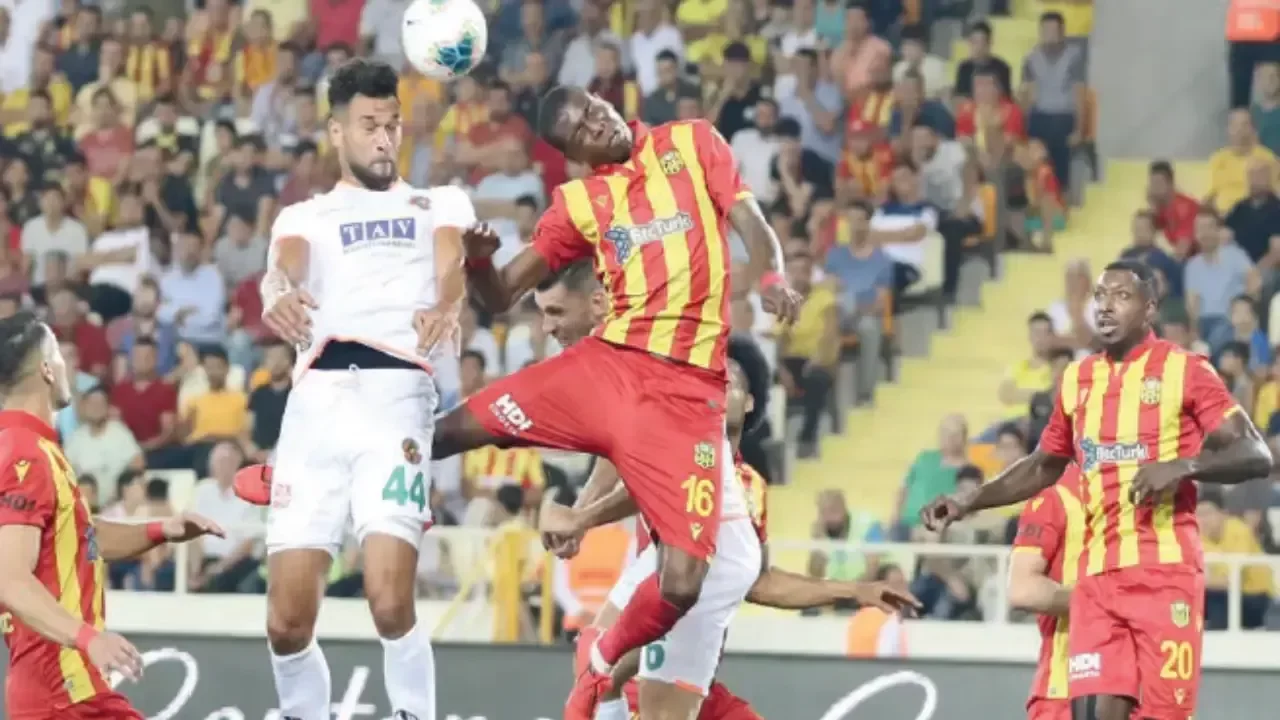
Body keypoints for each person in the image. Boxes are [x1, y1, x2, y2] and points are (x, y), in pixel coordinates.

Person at [445, 86, 798, 717]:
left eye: (593, 107)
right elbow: (500, 296)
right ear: (573, 154)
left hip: (686, 389)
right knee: (455, 430)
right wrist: (477, 264)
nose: (597, 122)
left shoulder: (691, 141)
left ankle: (603, 663)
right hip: (613, 367)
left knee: (690, 579)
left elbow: (751, 222)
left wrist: (770, 275)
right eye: (580, 128)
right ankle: (315, 471)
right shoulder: (581, 203)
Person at [533, 262, 917, 720]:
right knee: (605, 674)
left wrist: (854, 589)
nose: (722, 382)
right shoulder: (670, 436)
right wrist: (579, 515)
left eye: (733, 378)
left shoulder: (750, 487)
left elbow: (759, 582)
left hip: (695, 655)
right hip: (656, 644)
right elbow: (614, 460)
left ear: (750, 402)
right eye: (716, 374)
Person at [921, 259, 1274, 720]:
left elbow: (1256, 453)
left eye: (1121, 296)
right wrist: (968, 500)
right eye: (1100, 296)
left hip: (1164, 574)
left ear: (1149, 308)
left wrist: (1183, 466)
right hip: (1096, 581)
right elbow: (1044, 464)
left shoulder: (1184, 370)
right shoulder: (1078, 379)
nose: (1106, 306)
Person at [242, 59, 475, 720]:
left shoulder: (438, 202)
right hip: (315, 407)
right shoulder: (305, 214)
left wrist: (448, 305)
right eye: (369, 125)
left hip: (395, 398)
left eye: (392, 124)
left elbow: (451, 266)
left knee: (389, 600)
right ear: (337, 132)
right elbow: (284, 267)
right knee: (286, 622)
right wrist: (276, 290)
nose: (384, 137)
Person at [0, 310, 222, 719]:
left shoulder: (37, 449)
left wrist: (161, 529)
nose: (68, 369)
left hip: (69, 688)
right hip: (59, 690)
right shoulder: (23, 454)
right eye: (60, 357)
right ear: (47, 369)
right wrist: (89, 638)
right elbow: (9, 577)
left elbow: (83, 538)